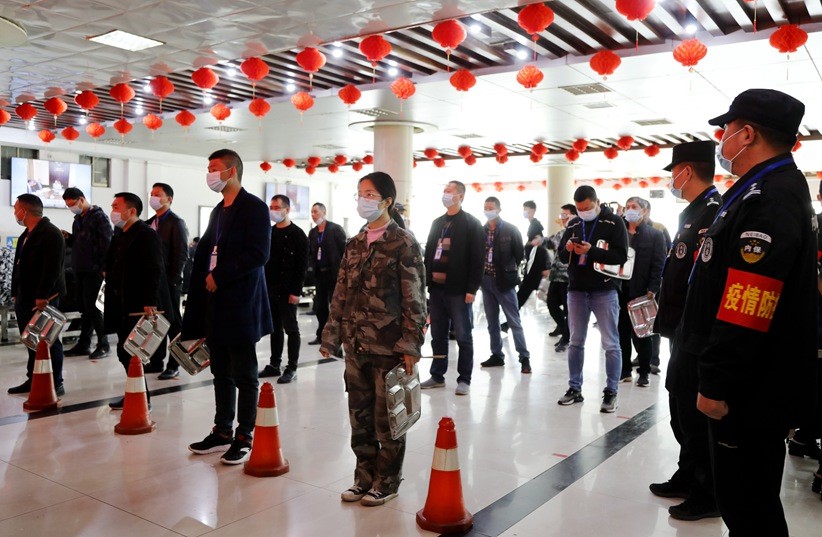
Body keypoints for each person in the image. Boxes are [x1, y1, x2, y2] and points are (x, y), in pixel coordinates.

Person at [687, 89, 816, 535]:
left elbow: (749, 300)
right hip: (752, 377)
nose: (721, 140)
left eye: (725, 130)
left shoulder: (769, 198)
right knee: (746, 500)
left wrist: (716, 380)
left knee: (747, 505)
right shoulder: (761, 189)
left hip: (749, 386)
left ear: (746, 134)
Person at [320, 172, 426, 507]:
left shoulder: (403, 243)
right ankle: (363, 478)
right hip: (355, 345)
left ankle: (388, 480)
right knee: (360, 417)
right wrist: (330, 336)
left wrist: (411, 345)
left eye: (370, 194)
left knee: (388, 418)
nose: (363, 199)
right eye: (360, 193)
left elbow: (414, 298)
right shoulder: (354, 243)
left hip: (389, 346)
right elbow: (340, 293)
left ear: (387, 201)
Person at [183, 149, 273, 465]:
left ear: (231, 171)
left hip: (241, 302)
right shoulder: (218, 210)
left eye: (214, 168)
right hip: (216, 303)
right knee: (220, 370)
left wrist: (220, 275)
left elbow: (259, 254)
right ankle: (222, 430)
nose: (209, 174)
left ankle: (244, 435)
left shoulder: (255, 208)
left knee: (244, 373)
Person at [649, 140, 722, 521]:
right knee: (679, 405)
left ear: (687, 172)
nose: (672, 180)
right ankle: (687, 474)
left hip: (697, 332)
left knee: (694, 415)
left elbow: (705, 280)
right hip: (680, 329)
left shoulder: (714, 212)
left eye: (674, 173)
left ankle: (707, 492)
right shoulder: (692, 213)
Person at [555, 185, 628, 413]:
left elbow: (621, 256)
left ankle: (611, 392)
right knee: (575, 342)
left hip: (604, 289)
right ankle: (574, 388)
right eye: (579, 209)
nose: (583, 212)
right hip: (576, 289)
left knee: (611, 343)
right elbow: (561, 256)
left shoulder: (614, 222)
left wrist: (591, 251)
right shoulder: (574, 224)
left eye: (587, 208)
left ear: (597, 202)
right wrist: (568, 248)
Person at [103, 193, 171, 410]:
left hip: (138, 305)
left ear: (131, 211)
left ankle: (141, 397)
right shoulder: (120, 234)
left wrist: (150, 301)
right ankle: (135, 392)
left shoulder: (146, 235)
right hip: (121, 303)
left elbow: (154, 269)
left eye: (116, 206)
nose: (113, 211)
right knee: (125, 351)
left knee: (131, 352)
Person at [419, 181, 484, 396]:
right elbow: (430, 253)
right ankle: (437, 375)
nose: (445, 194)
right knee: (438, 335)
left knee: (463, 336)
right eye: (444, 190)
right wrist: (426, 282)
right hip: (437, 289)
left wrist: (472, 289)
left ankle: (464, 379)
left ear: (460, 196)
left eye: (449, 191)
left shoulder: (471, 224)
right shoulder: (437, 223)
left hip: (459, 290)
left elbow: (478, 259)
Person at [7, 194, 66, 396]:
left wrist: (42, 295)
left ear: (25, 211)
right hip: (25, 296)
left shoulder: (51, 234)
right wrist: (15, 292)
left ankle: (56, 381)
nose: (15, 213)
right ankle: (33, 378)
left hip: (44, 299)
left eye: (16, 208)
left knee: (48, 341)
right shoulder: (26, 234)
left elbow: (52, 269)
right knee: (30, 340)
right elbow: (18, 266)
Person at [478, 197, 531, 374]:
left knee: (514, 321)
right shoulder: (481, 231)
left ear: (499, 210)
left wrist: (510, 271)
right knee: (492, 322)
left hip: (505, 282)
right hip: (486, 281)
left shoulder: (510, 229)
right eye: (486, 208)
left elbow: (519, 254)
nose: (488, 211)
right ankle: (496, 355)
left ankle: (524, 357)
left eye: (491, 208)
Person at [258, 194, 308, 384]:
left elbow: (302, 266)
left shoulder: (298, 234)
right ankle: (274, 364)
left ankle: (292, 367)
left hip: (288, 290)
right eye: (271, 207)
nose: (273, 211)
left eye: (277, 207)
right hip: (271, 288)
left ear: (287, 210)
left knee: (291, 329)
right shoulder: (269, 232)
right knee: (275, 329)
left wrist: (296, 291)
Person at [617, 196, 666, 387]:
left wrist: (653, 288)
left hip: (642, 292)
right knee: (622, 332)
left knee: (643, 334)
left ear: (644, 211)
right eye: (627, 206)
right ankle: (625, 370)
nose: (630, 210)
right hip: (620, 289)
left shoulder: (655, 235)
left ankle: (644, 371)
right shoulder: (619, 233)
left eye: (634, 207)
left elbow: (659, 264)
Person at [62, 187, 112, 359]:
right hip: (80, 269)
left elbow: (107, 243)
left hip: (94, 270)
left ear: (81, 200)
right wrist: (69, 238)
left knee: (94, 308)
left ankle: (103, 344)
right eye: (68, 205)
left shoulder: (99, 218)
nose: (71, 208)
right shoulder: (78, 219)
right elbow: (80, 243)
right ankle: (84, 344)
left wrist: (105, 268)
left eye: (72, 204)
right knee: (85, 308)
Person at [145, 182, 189, 380]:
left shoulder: (175, 223)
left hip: (169, 282)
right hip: (154, 282)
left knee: (173, 323)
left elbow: (181, 254)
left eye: (158, 194)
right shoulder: (149, 223)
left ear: (169, 199)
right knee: (156, 322)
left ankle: (174, 363)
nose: (153, 197)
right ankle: (156, 361)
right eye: (152, 194)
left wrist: (173, 280)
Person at [307, 202, 346, 347]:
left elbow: (344, 251)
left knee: (335, 307)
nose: (313, 215)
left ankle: (336, 338)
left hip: (334, 274)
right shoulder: (313, 233)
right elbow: (310, 253)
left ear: (324, 212)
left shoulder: (335, 229)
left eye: (316, 212)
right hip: (320, 274)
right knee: (320, 307)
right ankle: (321, 335)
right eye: (312, 212)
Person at [546, 204, 576, 352]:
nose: (562, 218)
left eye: (565, 215)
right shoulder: (561, 233)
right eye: (561, 215)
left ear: (574, 216)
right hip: (556, 276)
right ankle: (564, 330)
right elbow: (549, 242)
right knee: (551, 304)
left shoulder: (577, 233)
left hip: (568, 278)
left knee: (569, 310)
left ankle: (566, 338)